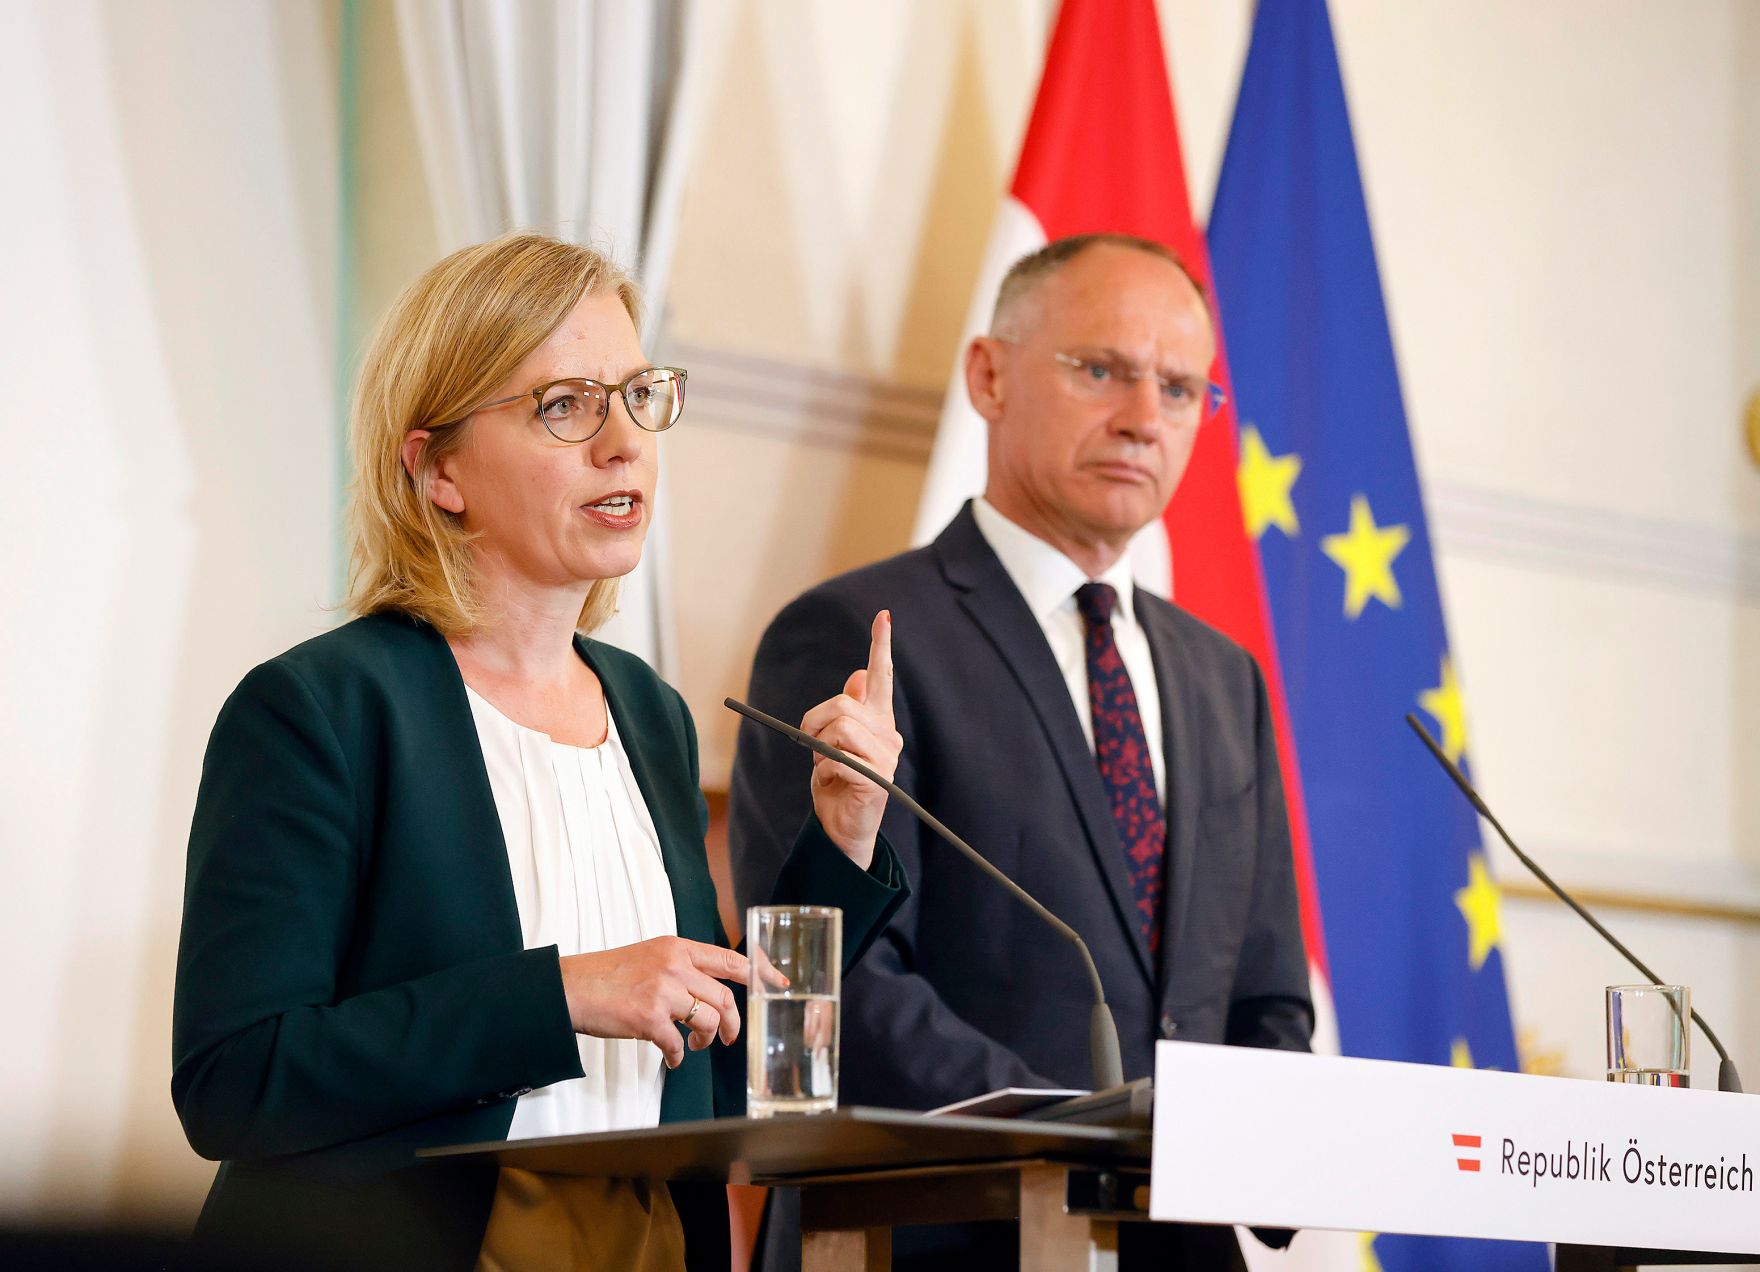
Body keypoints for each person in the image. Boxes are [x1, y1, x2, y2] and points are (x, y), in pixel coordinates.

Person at [171, 233, 907, 1272]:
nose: (623, 444)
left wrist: (839, 840)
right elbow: (233, 1082)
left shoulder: (648, 713)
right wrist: (558, 995)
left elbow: (737, 1074)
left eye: (638, 394)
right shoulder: (318, 710)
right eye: (564, 405)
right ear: (436, 471)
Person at [729, 234, 1312, 1269]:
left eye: (1180, 390)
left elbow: (1264, 998)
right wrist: (1087, 1135)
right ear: (987, 377)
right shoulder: (853, 635)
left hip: (1173, 1246)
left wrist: (1238, 1153)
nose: (1142, 416)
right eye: (1100, 370)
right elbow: (833, 979)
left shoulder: (1226, 680)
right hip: (924, 1235)